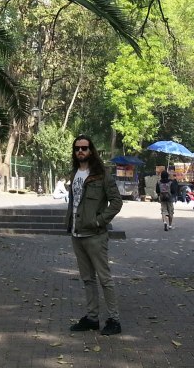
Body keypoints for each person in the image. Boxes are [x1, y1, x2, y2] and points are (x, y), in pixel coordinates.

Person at [66, 135, 123, 337]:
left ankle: (114, 320)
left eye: (84, 148)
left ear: (91, 150)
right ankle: (92, 318)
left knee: (104, 278)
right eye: (77, 148)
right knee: (87, 279)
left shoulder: (102, 175)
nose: (80, 151)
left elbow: (116, 202)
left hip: (95, 235)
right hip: (76, 234)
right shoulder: (74, 174)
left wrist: (99, 221)